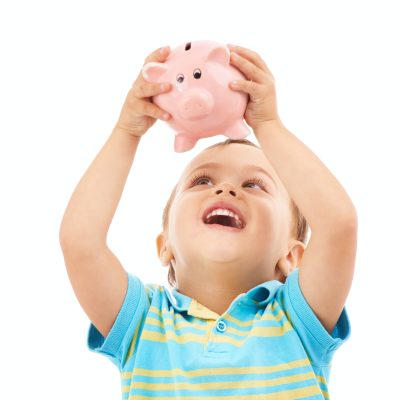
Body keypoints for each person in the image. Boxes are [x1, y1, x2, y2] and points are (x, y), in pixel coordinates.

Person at [59, 44, 358, 399]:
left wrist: (268, 125)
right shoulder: (143, 322)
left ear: (293, 256)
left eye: (254, 184)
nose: (227, 190)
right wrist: (127, 131)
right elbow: (80, 241)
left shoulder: (297, 318)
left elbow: (338, 225)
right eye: (202, 181)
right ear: (164, 245)